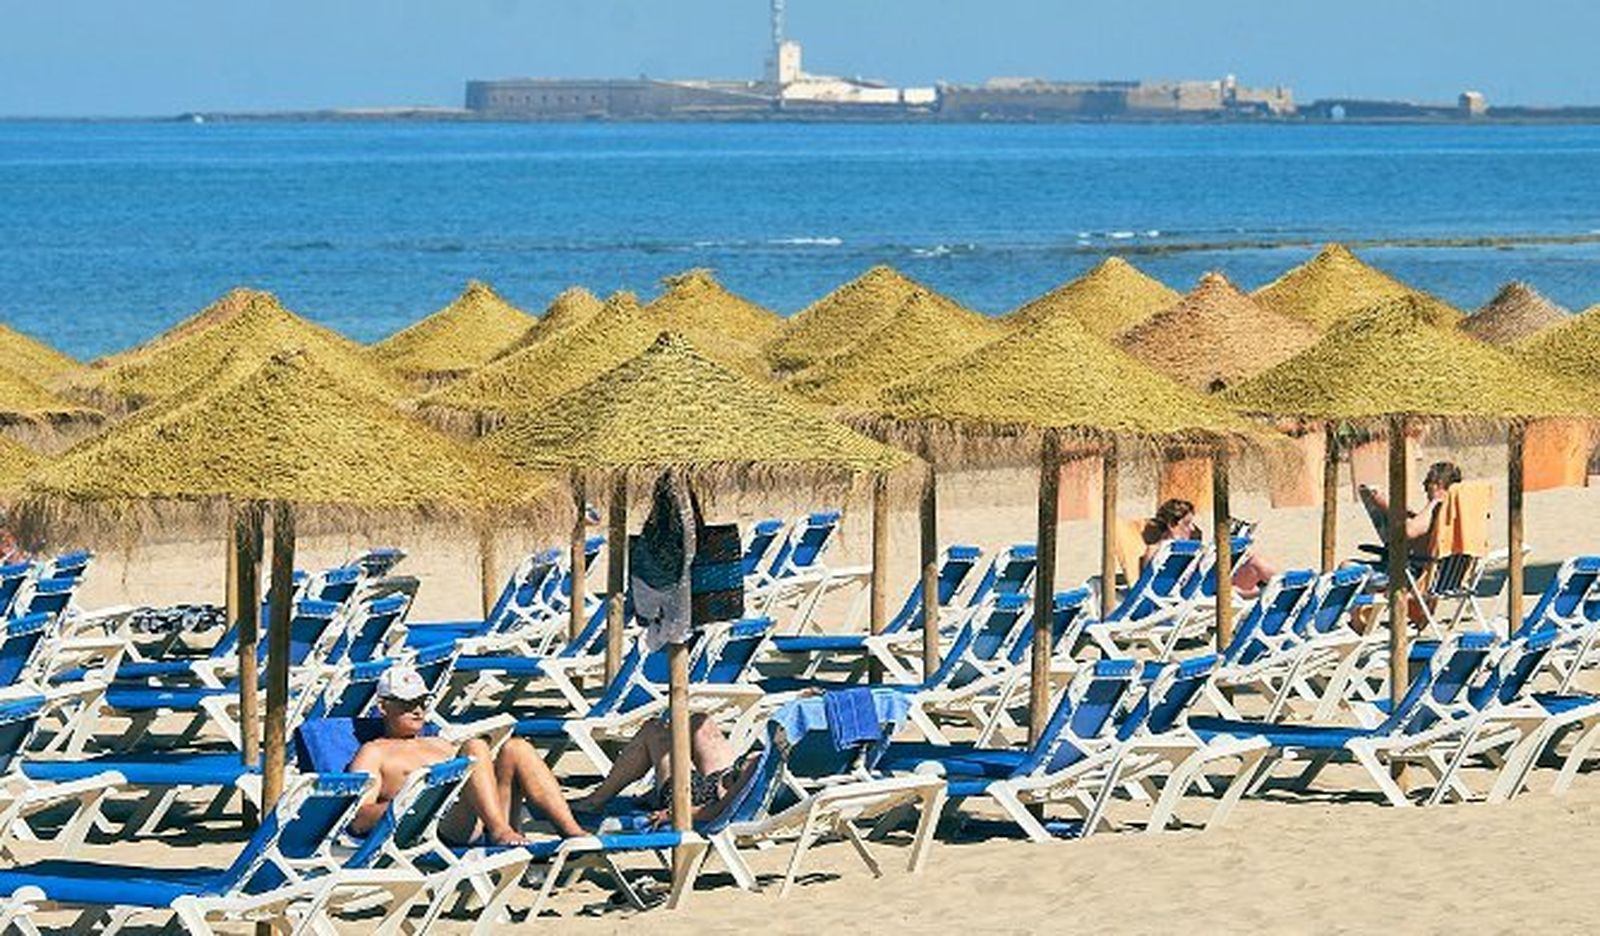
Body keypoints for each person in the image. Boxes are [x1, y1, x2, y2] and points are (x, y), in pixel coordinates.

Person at [347, 667, 586, 845]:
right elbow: (357, 818)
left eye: (422, 701)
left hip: (477, 814)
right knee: (475, 747)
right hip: (436, 827)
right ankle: (500, 831)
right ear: (382, 707)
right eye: (407, 703)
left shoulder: (439, 742)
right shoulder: (373, 752)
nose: (418, 709)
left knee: (516, 747)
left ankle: (573, 833)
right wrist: (410, 803)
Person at [569, 713, 759, 828]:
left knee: (653, 728)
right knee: (700, 722)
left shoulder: (760, 762)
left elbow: (720, 809)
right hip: (723, 780)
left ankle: (596, 800)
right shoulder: (776, 748)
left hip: (692, 797)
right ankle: (654, 790)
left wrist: (672, 813)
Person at [1142, 498, 1278, 599]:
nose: (1192, 528)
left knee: (1254, 562)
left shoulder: (1192, 547)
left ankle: (1285, 591)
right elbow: (1149, 587)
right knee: (1255, 583)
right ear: (1172, 525)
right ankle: (1281, 591)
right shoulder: (1155, 551)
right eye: (1187, 524)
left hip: (1209, 588)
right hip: (1193, 598)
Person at [1358, 460, 1462, 560]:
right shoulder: (1456, 510)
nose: (1424, 486)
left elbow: (1409, 531)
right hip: (1434, 568)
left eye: (1427, 482)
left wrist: (1434, 501)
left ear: (1439, 484)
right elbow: (1423, 528)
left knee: (1347, 566)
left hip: (1417, 570)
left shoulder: (1438, 507)